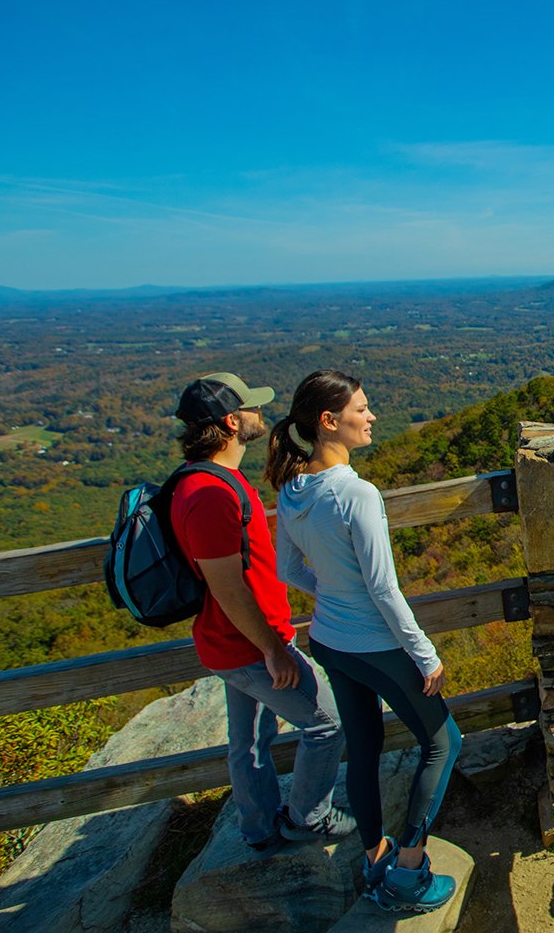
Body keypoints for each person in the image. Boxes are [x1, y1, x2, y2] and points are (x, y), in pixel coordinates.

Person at [265, 370, 462, 914]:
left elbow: (286, 567)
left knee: (365, 745)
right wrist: (424, 652)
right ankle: (407, 871)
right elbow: (382, 587)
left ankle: (375, 853)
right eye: (362, 409)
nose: (371, 416)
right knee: (444, 743)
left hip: (327, 639)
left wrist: (329, 590)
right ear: (329, 422)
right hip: (372, 643)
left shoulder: (292, 488)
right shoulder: (356, 493)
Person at [170, 372, 355, 850]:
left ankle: (258, 829)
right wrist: (273, 648)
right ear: (232, 423)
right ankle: (308, 818)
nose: (260, 414)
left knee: (249, 742)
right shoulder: (211, 495)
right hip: (247, 646)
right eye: (251, 408)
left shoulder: (204, 482)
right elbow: (227, 586)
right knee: (328, 722)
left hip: (230, 644)